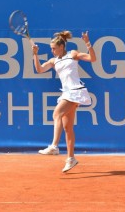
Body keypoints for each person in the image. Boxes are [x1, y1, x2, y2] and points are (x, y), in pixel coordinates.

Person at [31, 30, 96, 172]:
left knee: (56, 114)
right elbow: (40, 69)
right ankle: (71, 158)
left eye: (54, 48)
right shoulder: (54, 61)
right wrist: (35, 54)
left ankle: (54, 146)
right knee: (67, 128)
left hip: (76, 91)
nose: (52, 51)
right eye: (51, 48)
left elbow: (93, 59)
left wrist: (87, 43)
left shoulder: (72, 54)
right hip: (67, 93)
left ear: (62, 47)